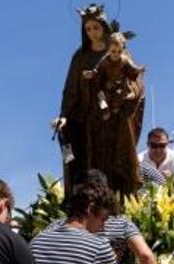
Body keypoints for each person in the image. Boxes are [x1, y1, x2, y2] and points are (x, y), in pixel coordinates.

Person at [52, 5, 114, 194]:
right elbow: (70, 88)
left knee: (106, 159)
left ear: (104, 27)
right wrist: (64, 115)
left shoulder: (115, 51)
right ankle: (82, 196)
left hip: (108, 114)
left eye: (96, 28)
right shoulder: (79, 57)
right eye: (88, 29)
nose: (93, 33)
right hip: (83, 115)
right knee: (79, 155)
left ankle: (109, 195)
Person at [84, 29, 146, 197]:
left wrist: (139, 72)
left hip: (120, 97)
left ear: (123, 49)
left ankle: (125, 180)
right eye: (113, 51)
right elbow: (97, 75)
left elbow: (134, 73)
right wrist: (92, 75)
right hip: (107, 97)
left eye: (119, 51)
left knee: (123, 141)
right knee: (102, 100)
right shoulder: (104, 62)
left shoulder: (125, 60)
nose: (116, 54)